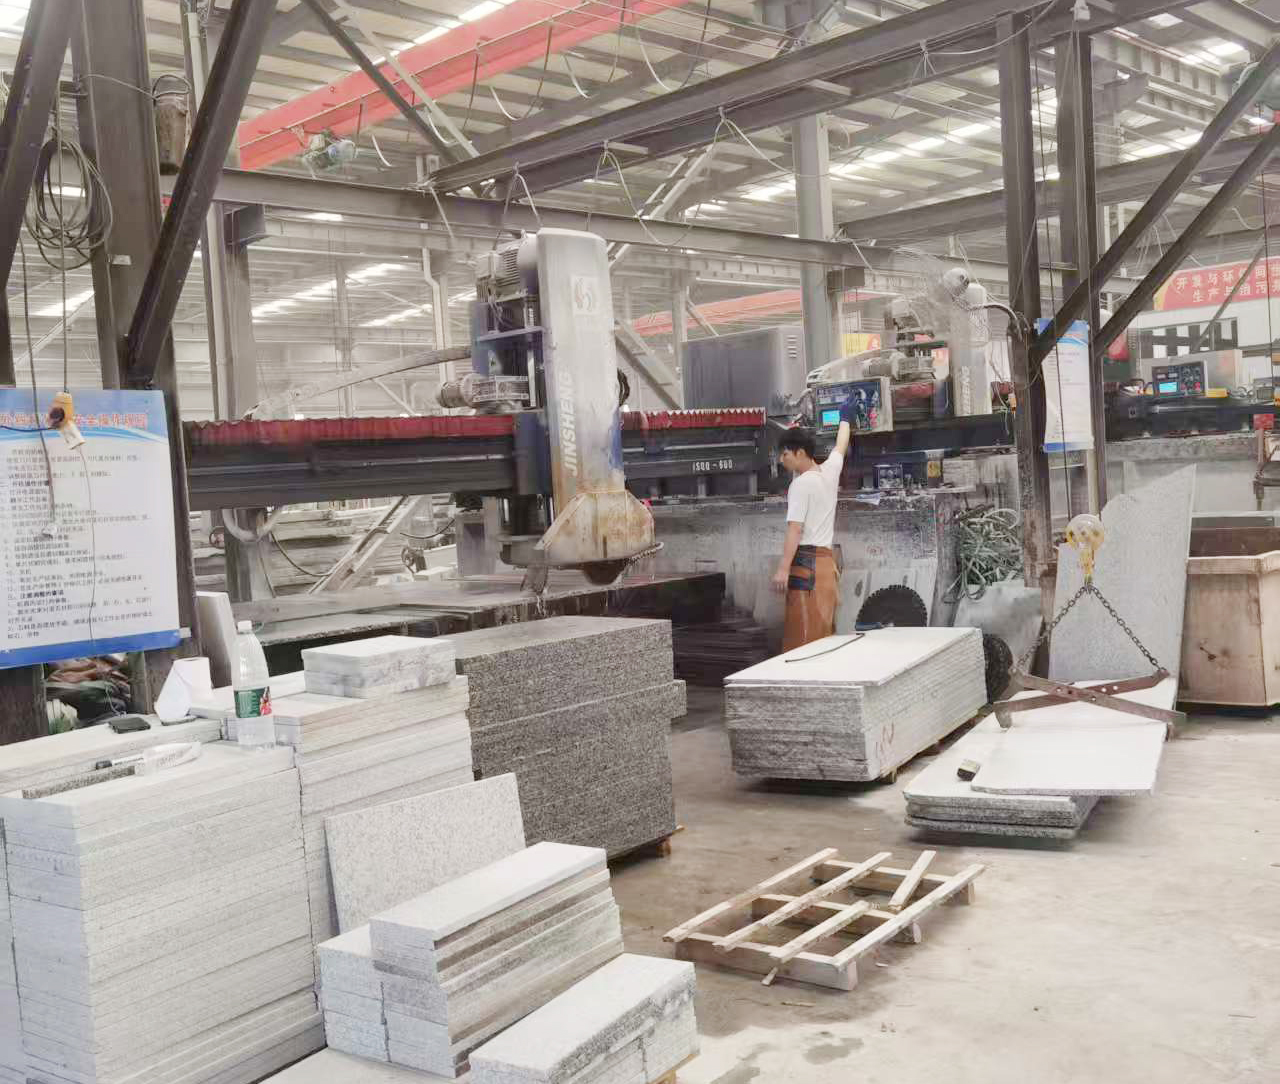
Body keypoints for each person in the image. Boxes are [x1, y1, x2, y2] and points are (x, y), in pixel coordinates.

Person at [771, 401, 854, 651]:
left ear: (800, 453)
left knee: (802, 639)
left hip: (807, 566)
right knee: (824, 635)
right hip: (827, 566)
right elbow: (840, 445)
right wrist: (846, 418)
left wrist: (783, 569)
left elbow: (795, 530)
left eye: (785, 454)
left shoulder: (800, 485)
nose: (781, 460)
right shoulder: (829, 472)